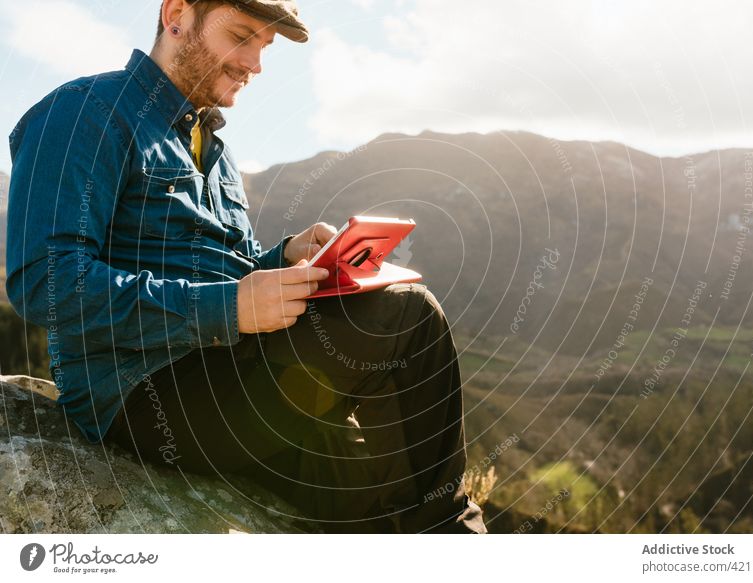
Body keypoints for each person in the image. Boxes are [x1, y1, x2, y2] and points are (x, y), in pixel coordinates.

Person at [4, 0, 486, 534]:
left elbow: (222, 276)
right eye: (241, 35)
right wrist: (230, 307)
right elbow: (44, 283)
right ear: (176, 15)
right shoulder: (83, 111)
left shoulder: (216, 151)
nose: (254, 64)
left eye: (264, 47)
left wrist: (283, 260)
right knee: (405, 314)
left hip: (231, 378)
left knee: (376, 488)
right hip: (147, 392)